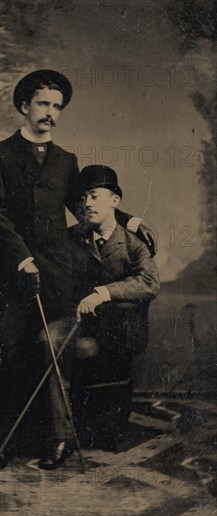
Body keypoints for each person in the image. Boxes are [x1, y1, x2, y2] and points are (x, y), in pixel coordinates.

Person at [0, 70, 156, 470]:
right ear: (24, 105)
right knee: (8, 352)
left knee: (48, 351)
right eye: (43, 103)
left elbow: (86, 205)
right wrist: (22, 257)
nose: (51, 113)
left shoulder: (65, 161)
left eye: (57, 106)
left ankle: (49, 438)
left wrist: (130, 221)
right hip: (13, 271)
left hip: (56, 276)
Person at [38, 164, 160, 469]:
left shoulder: (133, 244)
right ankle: (61, 435)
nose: (87, 204)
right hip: (80, 323)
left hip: (116, 331)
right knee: (47, 340)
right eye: (83, 198)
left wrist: (103, 293)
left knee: (76, 350)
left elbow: (149, 283)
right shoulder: (73, 237)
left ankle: (73, 427)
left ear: (115, 201)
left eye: (95, 196)